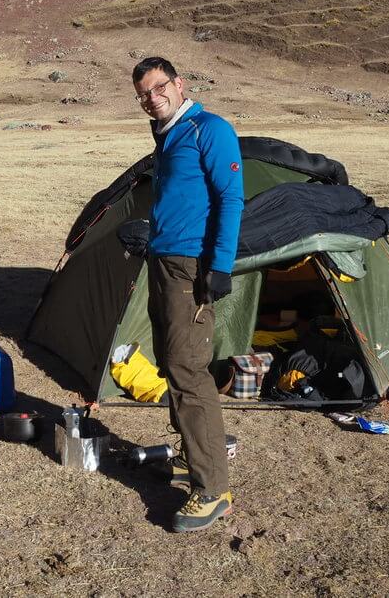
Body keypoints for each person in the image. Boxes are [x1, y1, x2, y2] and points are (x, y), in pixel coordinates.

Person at [132, 56, 244, 533]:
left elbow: (230, 198)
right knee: (170, 363)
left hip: (191, 268)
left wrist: (219, 266)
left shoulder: (208, 129)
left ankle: (212, 488)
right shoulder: (167, 136)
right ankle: (191, 457)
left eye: (159, 88)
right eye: (144, 94)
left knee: (189, 371)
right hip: (163, 261)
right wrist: (147, 235)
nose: (152, 99)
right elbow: (178, 200)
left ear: (179, 84)